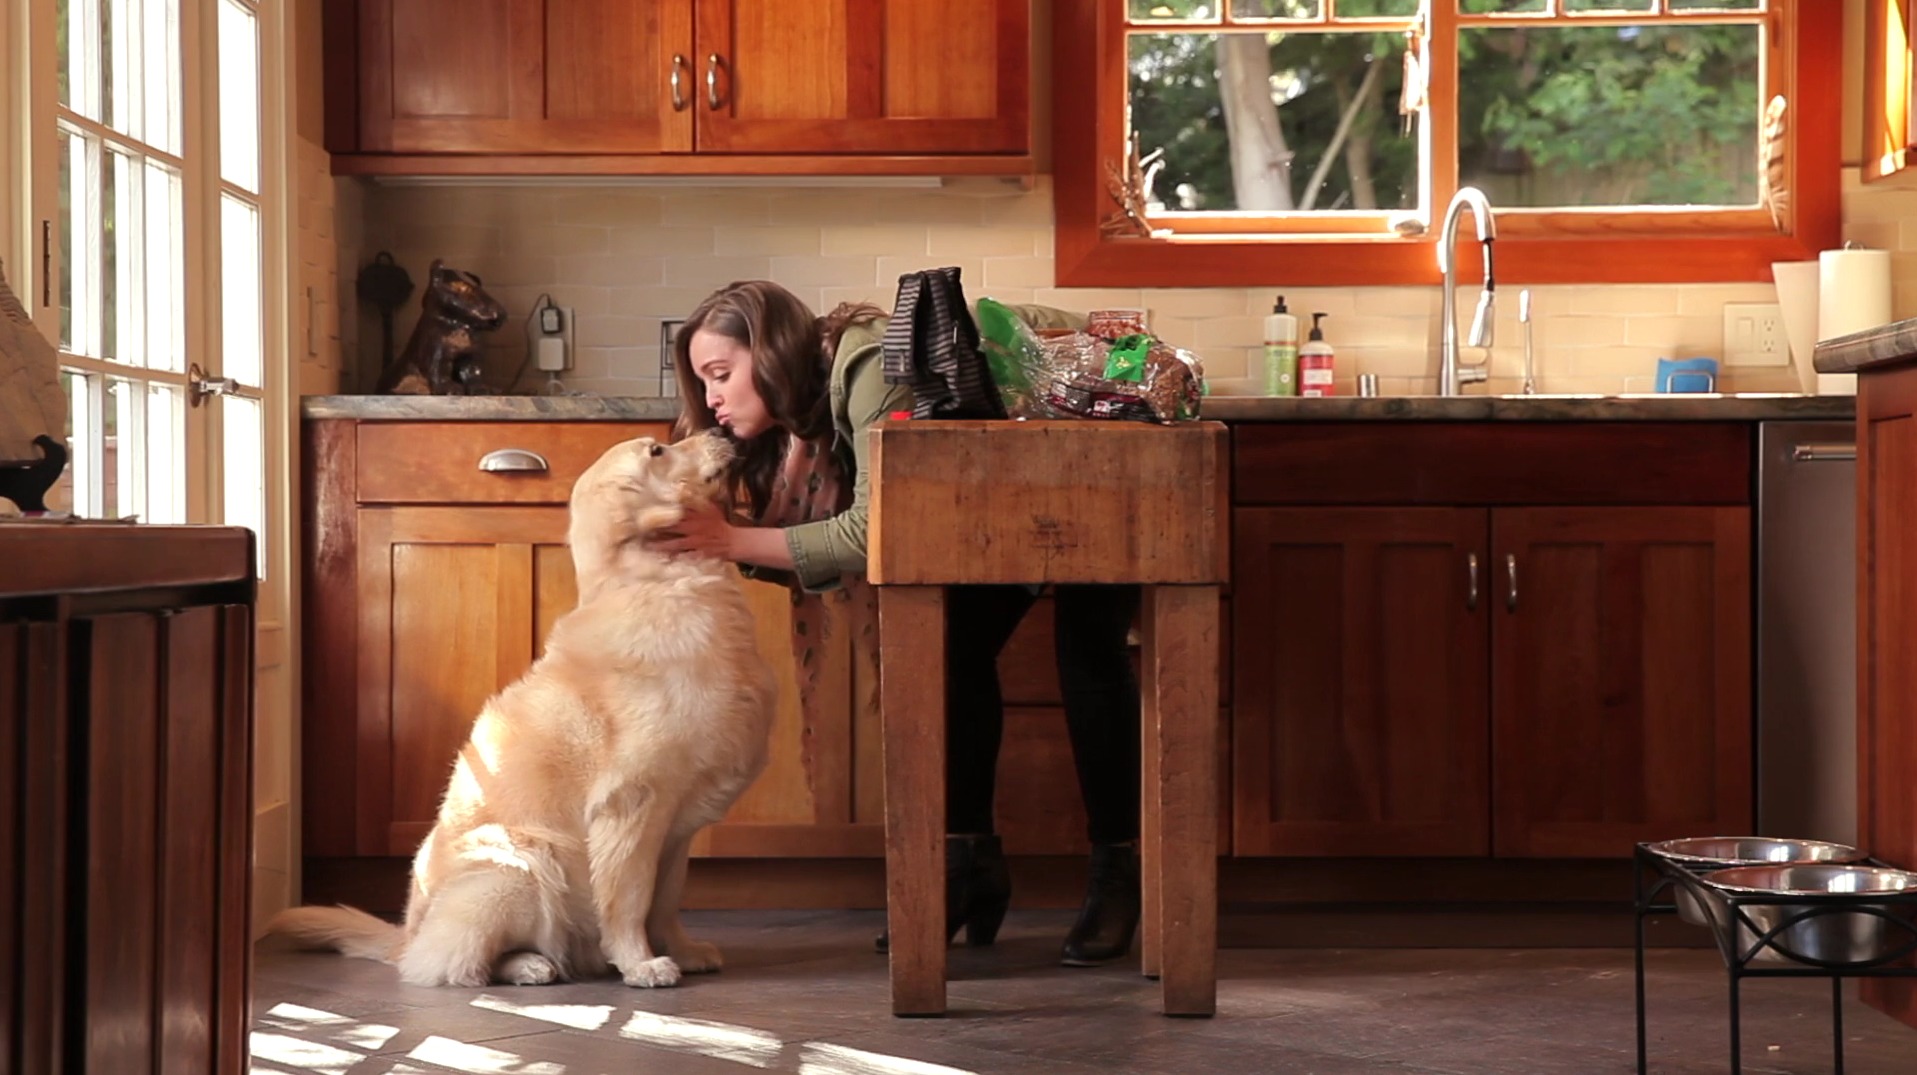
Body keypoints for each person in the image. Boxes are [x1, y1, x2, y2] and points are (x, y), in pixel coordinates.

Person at [653, 280, 1145, 967]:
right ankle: (967, 867)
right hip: (1010, 475)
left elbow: (875, 528)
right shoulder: (801, 410)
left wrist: (731, 541)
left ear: (770, 354)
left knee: (1087, 650)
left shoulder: (868, 366)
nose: (710, 397)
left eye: (720, 373)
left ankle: (1119, 873)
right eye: (704, 380)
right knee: (953, 647)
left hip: (1108, 429)